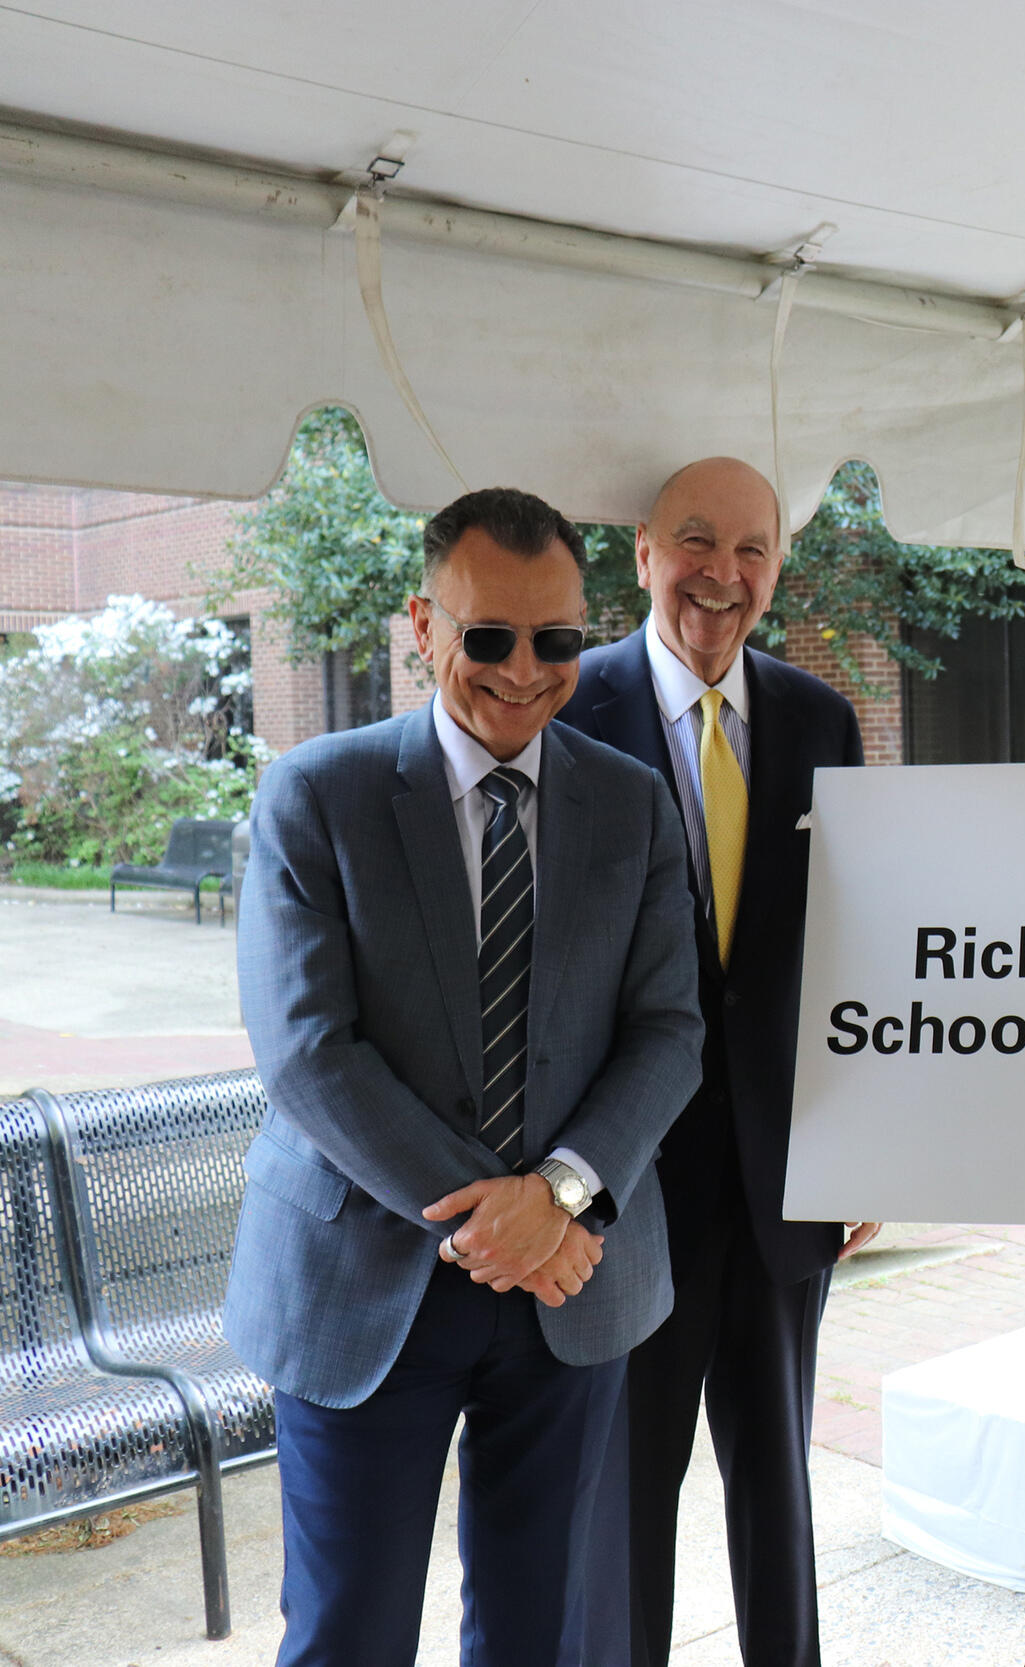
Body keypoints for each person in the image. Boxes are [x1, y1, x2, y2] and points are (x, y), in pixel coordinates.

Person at [226, 487, 703, 1665]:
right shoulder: (317, 794)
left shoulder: (633, 803)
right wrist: (504, 1222)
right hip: (361, 1283)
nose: (523, 670)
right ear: (422, 623)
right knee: (348, 1633)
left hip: (572, 1287)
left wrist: (562, 1195)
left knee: (541, 1634)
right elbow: (307, 1049)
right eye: (487, 635)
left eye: (556, 637)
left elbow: (667, 1030)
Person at [559, 456, 876, 1667]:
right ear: (642, 551)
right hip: (624, 1198)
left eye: (753, 549)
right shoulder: (566, 706)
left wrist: (868, 1145)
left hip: (786, 1189)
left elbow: (850, 950)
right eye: (696, 541)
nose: (722, 574)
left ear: (777, 568)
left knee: (779, 1492)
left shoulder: (820, 719)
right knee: (627, 1503)